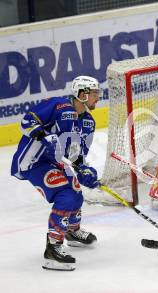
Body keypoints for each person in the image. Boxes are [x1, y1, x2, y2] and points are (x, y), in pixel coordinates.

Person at [11, 76, 101, 271]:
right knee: (66, 196)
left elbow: (77, 156)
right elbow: (26, 121)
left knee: (76, 194)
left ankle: (72, 231)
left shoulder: (88, 122)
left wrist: (84, 169)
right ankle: (52, 249)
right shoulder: (58, 105)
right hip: (35, 162)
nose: (98, 97)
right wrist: (44, 136)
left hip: (57, 162)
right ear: (82, 94)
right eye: (95, 93)